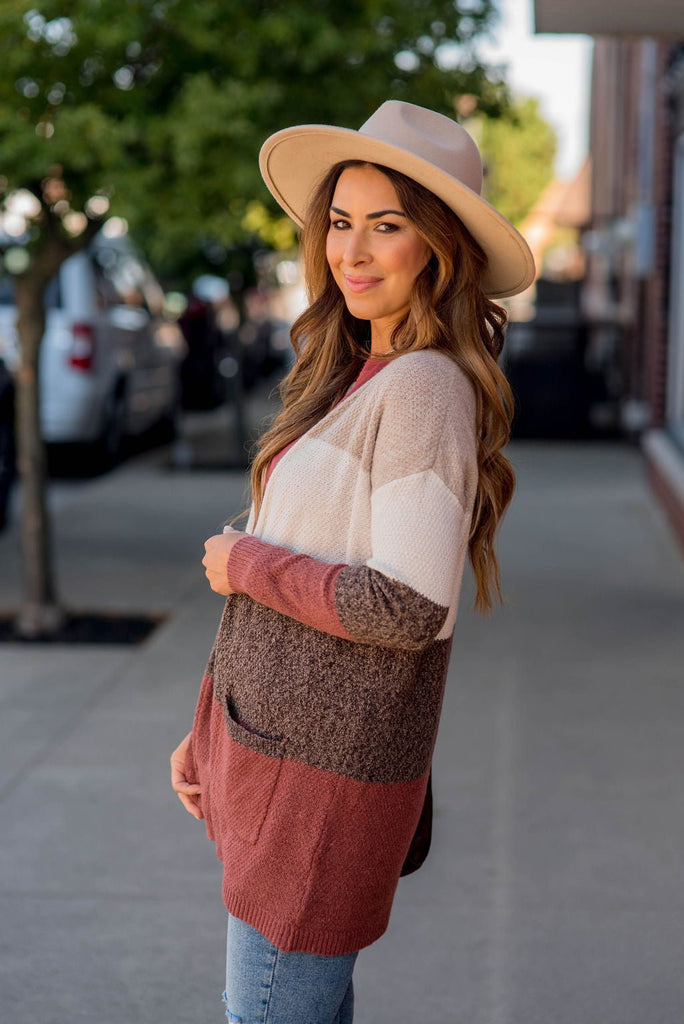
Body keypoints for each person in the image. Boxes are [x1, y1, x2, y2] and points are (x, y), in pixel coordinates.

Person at [170, 100, 535, 1024]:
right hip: (277, 767)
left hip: (317, 798)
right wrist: (205, 727)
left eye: (388, 226)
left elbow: (406, 605)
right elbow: (306, 569)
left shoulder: (421, 387)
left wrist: (247, 561)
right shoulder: (353, 372)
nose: (354, 251)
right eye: (340, 222)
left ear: (438, 247)